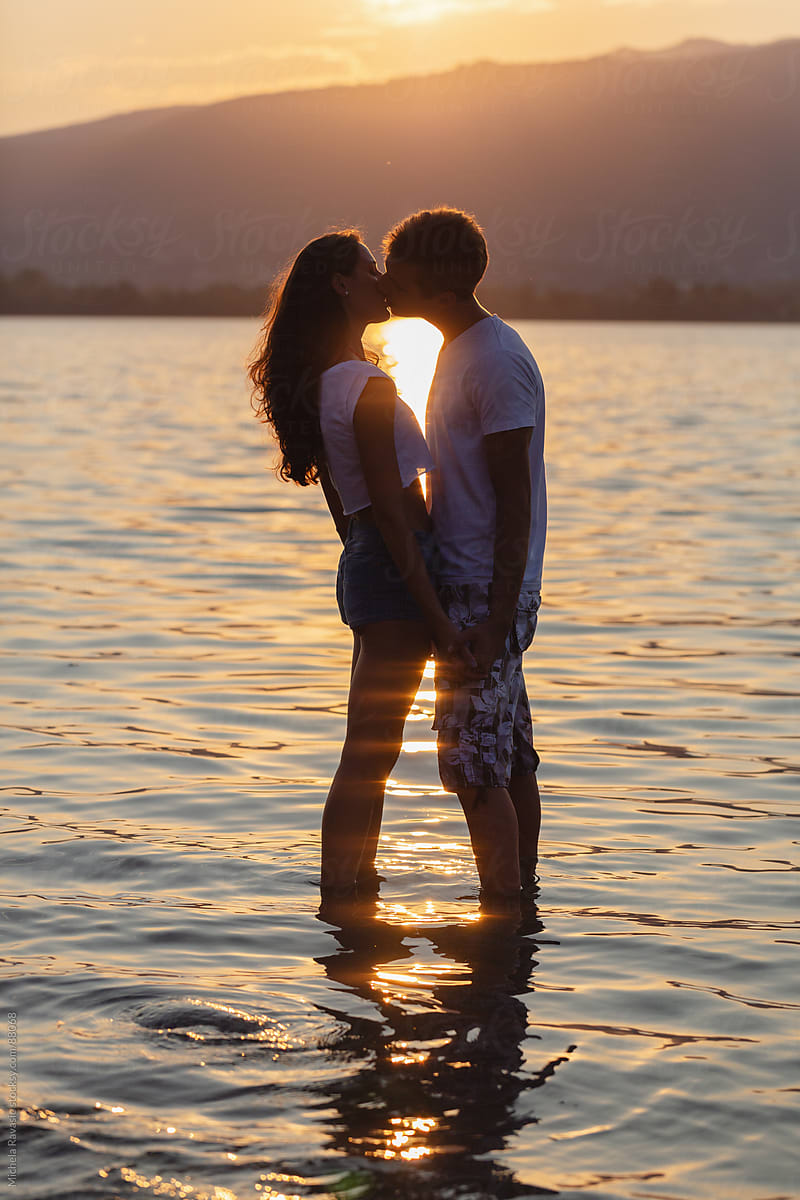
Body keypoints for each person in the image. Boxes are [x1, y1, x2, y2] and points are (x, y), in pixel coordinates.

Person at [248, 230, 470, 900]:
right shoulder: (367, 388)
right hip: (398, 570)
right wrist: (437, 617)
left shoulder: (326, 385)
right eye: (368, 269)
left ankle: (351, 892)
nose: (380, 279)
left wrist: (368, 559)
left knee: (369, 750)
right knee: (370, 753)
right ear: (342, 285)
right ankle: (343, 891)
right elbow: (398, 513)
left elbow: (348, 511)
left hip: (369, 561)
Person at [381, 208, 547, 901]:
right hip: (476, 586)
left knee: (476, 771)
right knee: (507, 759)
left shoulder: (497, 359)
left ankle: (501, 927)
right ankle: (521, 919)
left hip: (485, 590)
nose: (387, 281)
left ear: (440, 282)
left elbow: (515, 499)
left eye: (401, 271)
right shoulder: (457, 348)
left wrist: (497, 613)